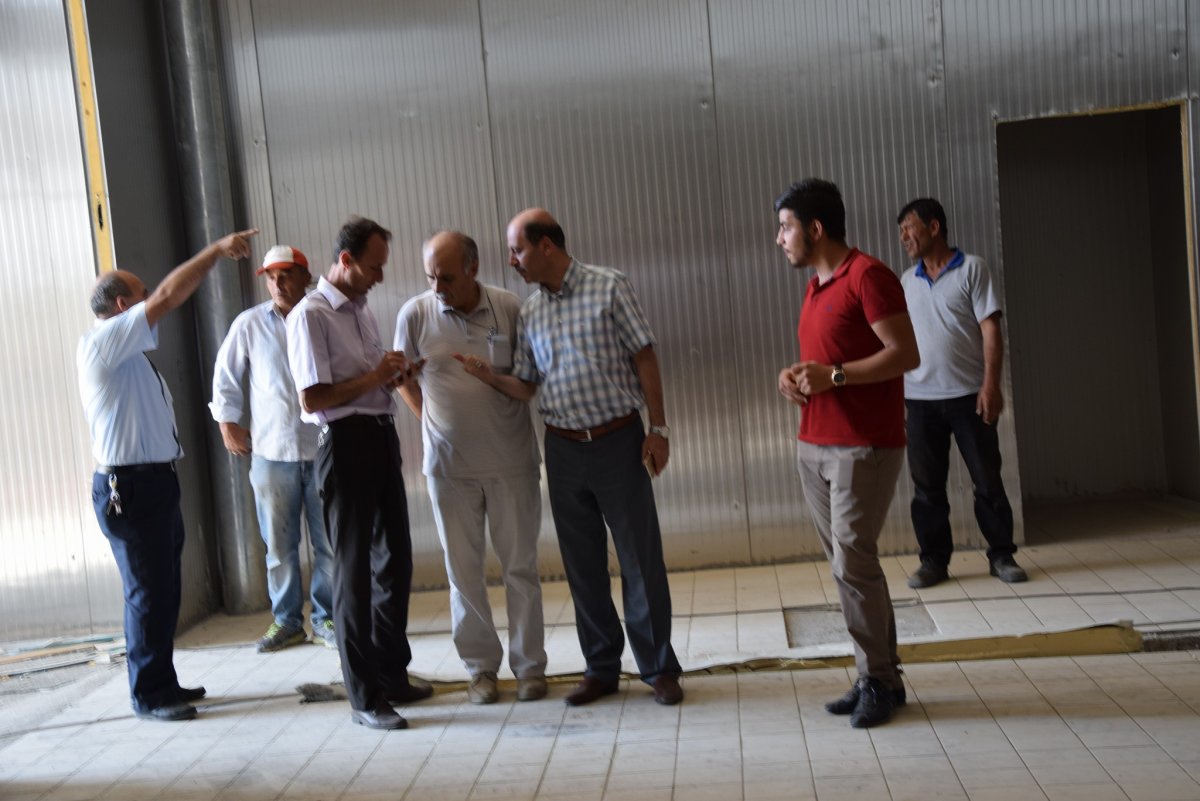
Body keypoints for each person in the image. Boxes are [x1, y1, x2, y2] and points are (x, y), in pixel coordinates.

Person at [459, 208, 683, 707]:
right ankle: (601, 667)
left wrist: (658, 428)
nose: (511, 261)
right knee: (582, 565)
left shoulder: (609, 286)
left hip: (618, 441)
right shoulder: (530, 311)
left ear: (546, 246)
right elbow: (527, 384)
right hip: (562, 448)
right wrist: (489, 377)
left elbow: (644, 355)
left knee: (640, 559)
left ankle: (658, 667)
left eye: (517, 250)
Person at [78, 228, 258, 722]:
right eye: (140, 294)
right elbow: (168, 296)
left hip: (152, 483)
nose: (149, 299)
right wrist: (215, 251)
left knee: (162, 588)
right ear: (122, 306)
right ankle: (150, 694)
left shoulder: (128, 354)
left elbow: (162, 297)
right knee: (146, 592)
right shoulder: (105, 343)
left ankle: (163, 679)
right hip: (130, 487)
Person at [774, 179, 919, 728]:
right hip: (814, 443)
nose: (779, 238)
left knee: (852, 563)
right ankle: (882, 677)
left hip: (863, 446)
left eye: (785, 227)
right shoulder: (816, 286)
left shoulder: (868, 276)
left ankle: (876, 678)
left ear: (815, 229)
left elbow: (905, 354)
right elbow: (826, 360)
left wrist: (833, 376)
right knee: (850, 568)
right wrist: (794, 377)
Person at [285, 216, 432, 731]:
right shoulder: (311, 315)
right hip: (344, 445)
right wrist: (374, 376)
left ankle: (391, 674)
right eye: (373, 267)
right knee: (352, 573)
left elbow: (368, 384)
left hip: (379, 436)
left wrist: (394, 377)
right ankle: (365, 697)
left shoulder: (362, 310)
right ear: (345, 261)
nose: (379, 277)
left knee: (395, 561)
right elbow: (314, 398)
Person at [394, 231, 548, 705]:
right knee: (463, 574)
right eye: (430, 277)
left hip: (511, 463)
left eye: (447, 278)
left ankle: (529, 668)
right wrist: (432, 424)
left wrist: (490, 377)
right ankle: (481, 670)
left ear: (473, 269)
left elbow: (530, 379)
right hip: (449, 470)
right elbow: (402, 378)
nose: (437, 288)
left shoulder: (510, 308)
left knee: (520, 568)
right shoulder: (415, 314)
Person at [210, 244, 336, 653]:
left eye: (286, 274)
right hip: (271, 451)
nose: (278, 283)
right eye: (271, 276)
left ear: (305, 276)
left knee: (329, 542)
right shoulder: (249, 324)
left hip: (323, 449)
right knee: (279, 547)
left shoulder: (324, 316)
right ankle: (287, 622)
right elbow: (226, 375)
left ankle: (328, 618)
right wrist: (228, 422)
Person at [897, 198, 1027, 588]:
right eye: (901, 231)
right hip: (919, 399)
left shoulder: (972, 268)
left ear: (934, 227)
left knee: (987, 480)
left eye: (910, 228)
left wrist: (991, 385)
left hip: (969, 396)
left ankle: (1001, 555)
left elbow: (991, 329)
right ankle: (933, 561)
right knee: (927, 488)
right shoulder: (907, 280)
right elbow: (900, 341)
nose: (904, 237)